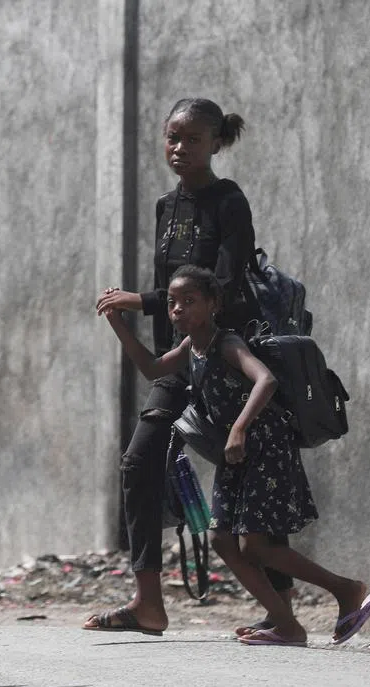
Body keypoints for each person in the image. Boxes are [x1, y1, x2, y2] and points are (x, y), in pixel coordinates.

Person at [88, 97, 295, 637]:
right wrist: (157, 340)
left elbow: (223, 285)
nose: (179, 148)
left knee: (252, 479)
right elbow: (179, 290)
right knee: (139, 462)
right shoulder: (166, 206)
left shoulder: (230, 201)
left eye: (193, 140)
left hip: (225, 355)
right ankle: (148, 603)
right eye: (172, 137)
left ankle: (283, 606)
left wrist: (144, 300)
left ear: (215, 144)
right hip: (181, 362)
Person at [101, 265, 370, 646]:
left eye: (189, 301)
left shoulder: (226, 342)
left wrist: (239, 428)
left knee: (256, 545)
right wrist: (118, 324)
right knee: (222, 541)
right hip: (237, 456)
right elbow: (152, 368)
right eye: (172, 303)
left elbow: (266, 379)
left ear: (213, 304)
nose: (178, 309)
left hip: (263, 447)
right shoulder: (190, 347)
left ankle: (345, 590)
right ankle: (287, 625)